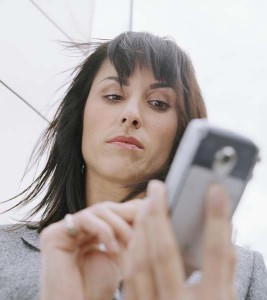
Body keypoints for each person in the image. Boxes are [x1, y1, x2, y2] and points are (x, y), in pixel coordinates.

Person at [0, 31, 266, 300]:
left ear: (181, 134)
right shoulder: (4, 251)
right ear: (80, 116)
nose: (132, 115)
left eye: (158, 103)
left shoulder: (245, 271)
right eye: (114, 96)